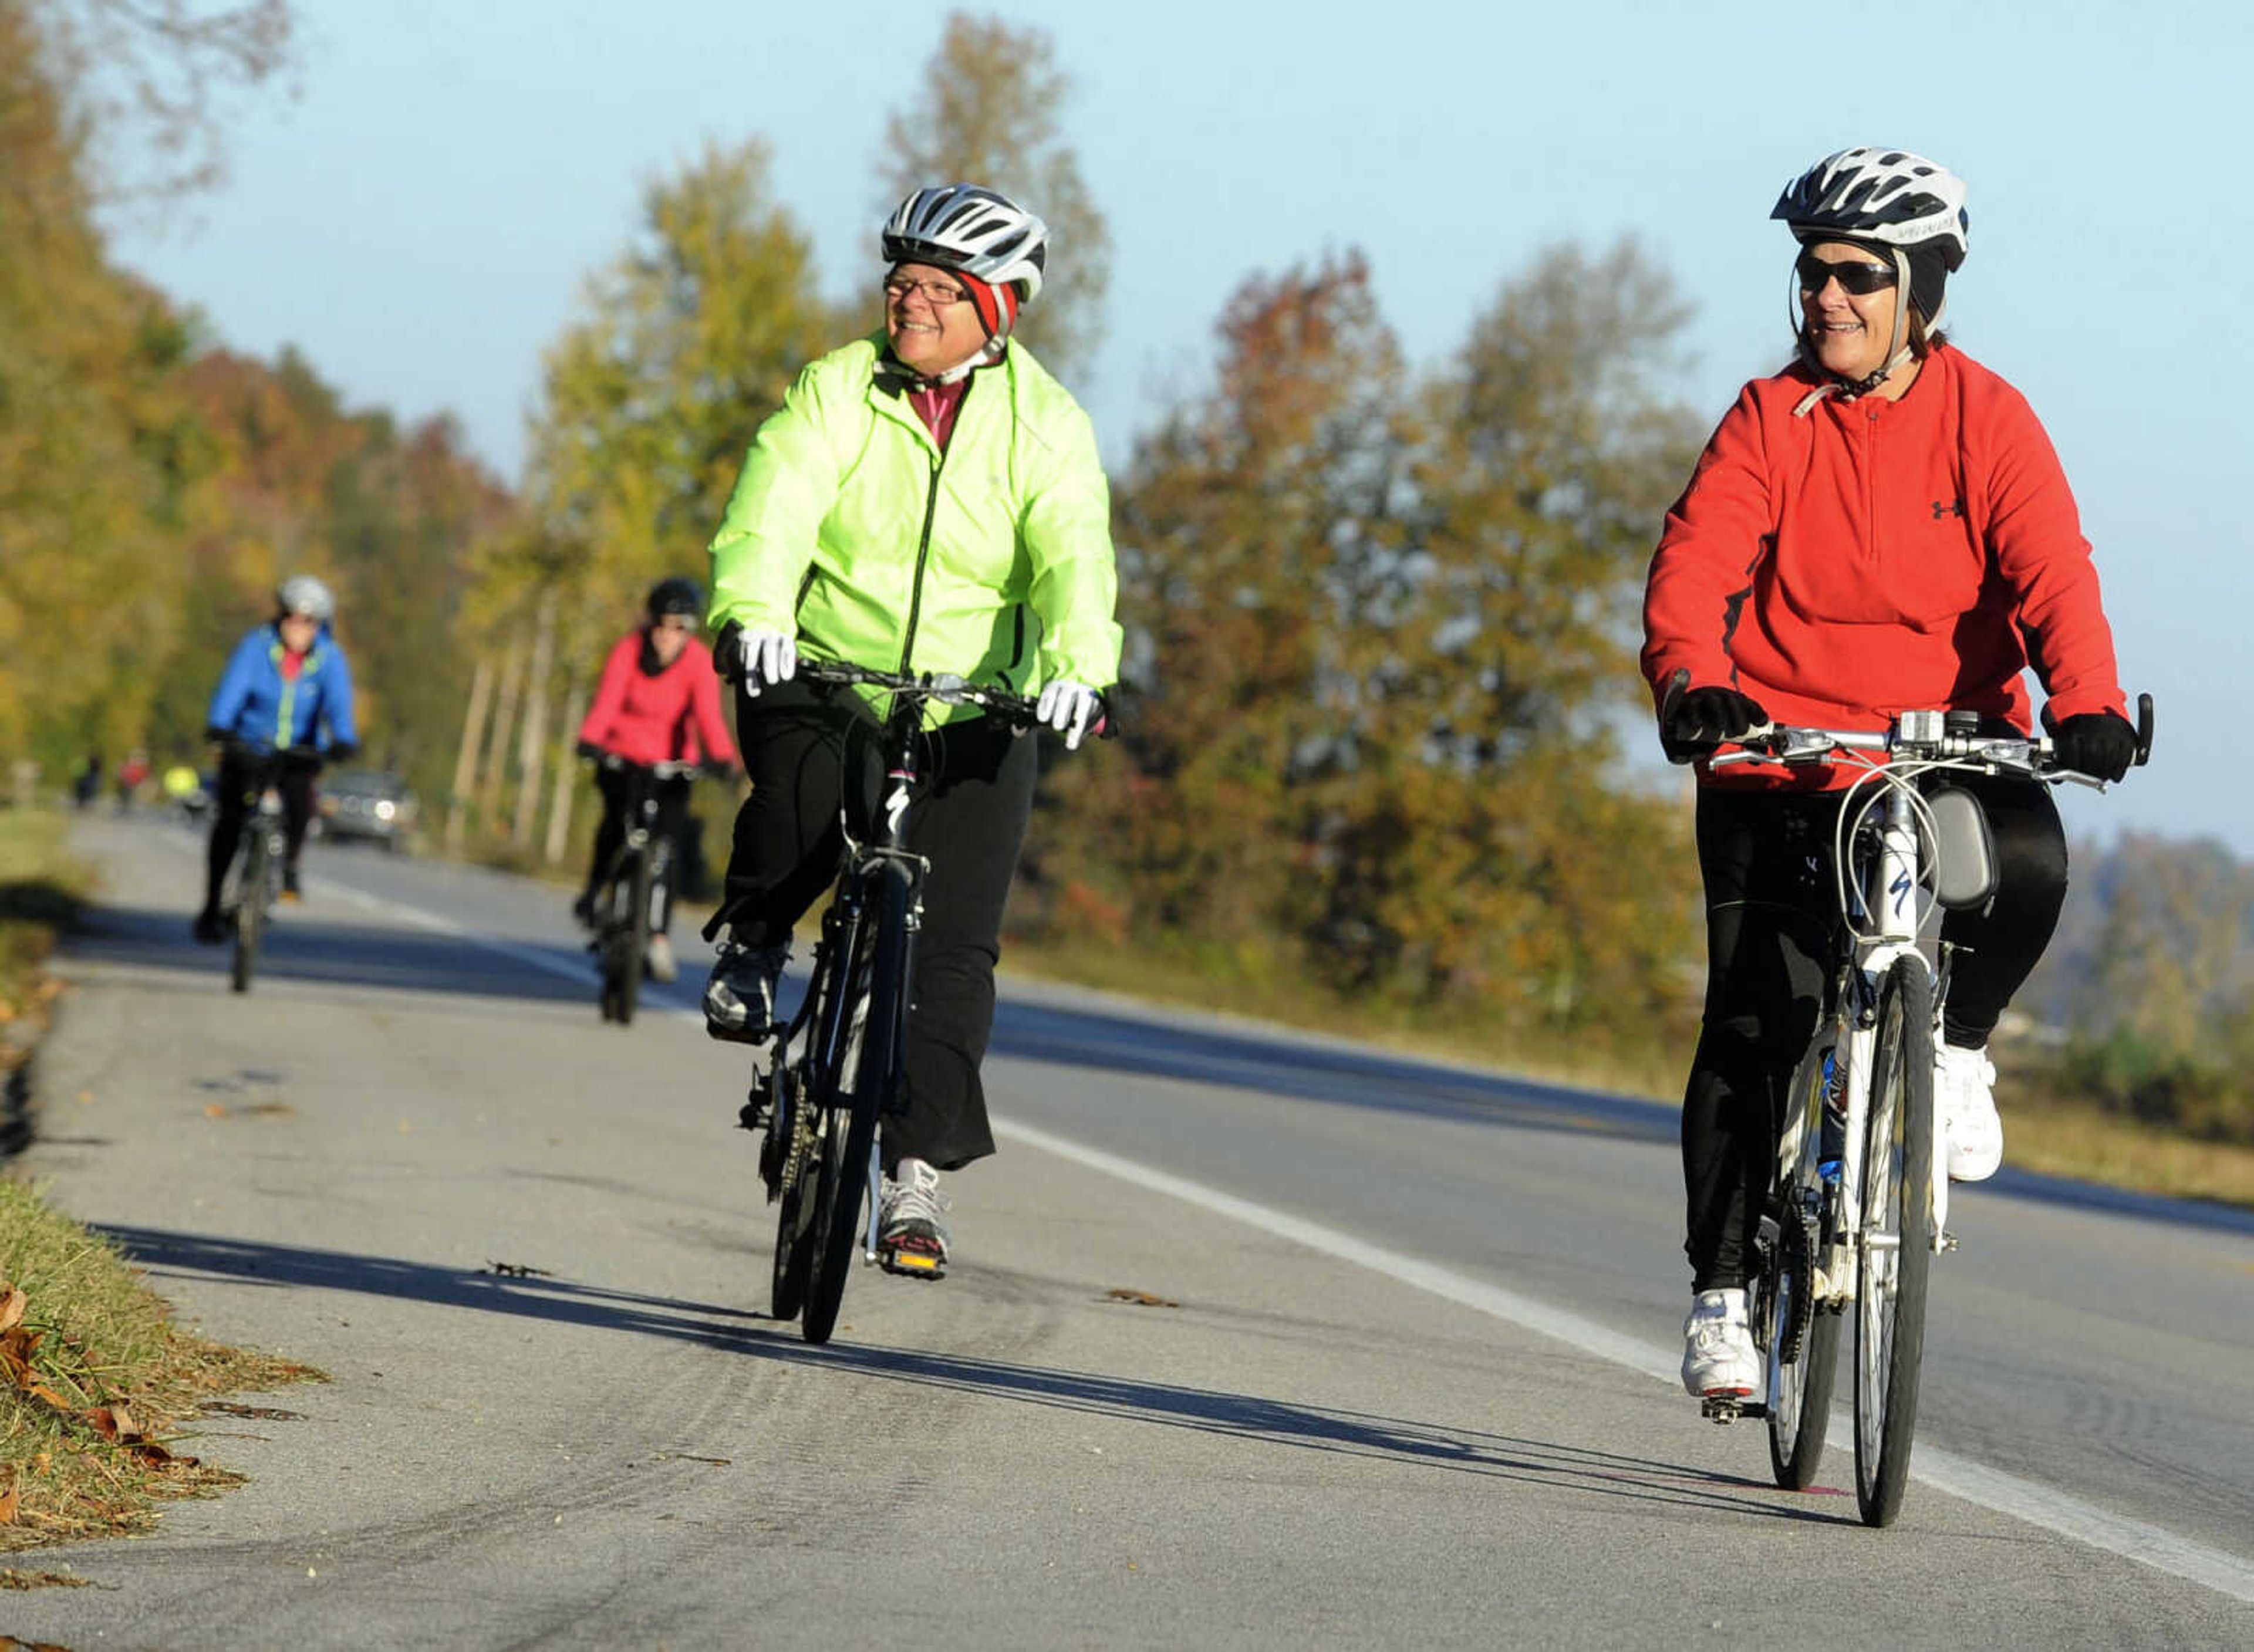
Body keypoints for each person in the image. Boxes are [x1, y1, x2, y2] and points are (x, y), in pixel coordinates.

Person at [1640, 148, 2138, 1405]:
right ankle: (1720, 1291)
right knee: (1759, 1016)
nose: (1827, 296)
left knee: (2027, 860)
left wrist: (2082, 704)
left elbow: (2054, 576)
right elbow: (1694, 567)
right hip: (1783, 755)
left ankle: (1957, 1044)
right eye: (1812, 271)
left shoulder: (1989, 418)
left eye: (1859, 274)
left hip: (1938, 747)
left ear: (1918, 289)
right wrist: (1693, 681)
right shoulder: (1768, 418)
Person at [700, 182, 1122, 1271]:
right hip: (831, 667)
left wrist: (1080, 666)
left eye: (939, 288)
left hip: (979, 705)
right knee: (796, 798)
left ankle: (916, 1174)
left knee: (957, 946)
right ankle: (754, 942)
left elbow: (1073, 554)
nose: (911, 303)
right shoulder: (838, 389)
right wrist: (755, 613)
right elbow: (775, 504)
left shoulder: (1049, 426)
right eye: (902, 283)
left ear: (997, 306)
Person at [573, 576, 740, 984]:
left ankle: (659, 936)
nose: (668, 636)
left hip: (672, 766)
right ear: (651, 624)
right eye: (662, 625)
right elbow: (607, 703)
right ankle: (596, 891)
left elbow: (708, 717)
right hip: (622, 757)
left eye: (679, 628)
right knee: (615, 824)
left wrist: (723, 760)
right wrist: (591, 741)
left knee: (666, 846)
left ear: (690, 630)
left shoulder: (699, 662)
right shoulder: (628, 651)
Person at [194, 575, 359, 942]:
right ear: (281, 616)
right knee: (229, 822)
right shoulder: (257, 647)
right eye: (291, 617)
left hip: (299, 752)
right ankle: (211, 905)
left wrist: (344, 740)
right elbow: (231, 691)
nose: (297, 627)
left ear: (320, 625)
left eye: (308, 621)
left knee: (301, 807)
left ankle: (289, 867)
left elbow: (339, 706)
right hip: (251, 746)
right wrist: (221, 727)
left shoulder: (329, 659)